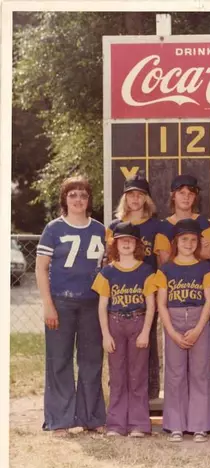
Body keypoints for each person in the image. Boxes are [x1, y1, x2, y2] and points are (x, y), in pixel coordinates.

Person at [35, 175, 106, 436]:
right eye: (72, 194)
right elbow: (41, 268)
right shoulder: (54, 228)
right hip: (61, 302)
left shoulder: (99, 229)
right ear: (65, 199)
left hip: (91, 303)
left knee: (91, 360)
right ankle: (60, 419)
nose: (78, 199)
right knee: (60, 360)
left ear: (89, 200)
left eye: (83, 195)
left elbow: (107, 268)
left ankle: (91, 416)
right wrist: (47, 304)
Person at [153, 218, 210, 442]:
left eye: (193, 240)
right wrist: (171, 332)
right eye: (184, 239)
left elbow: (209, 301)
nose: (189, 244)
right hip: (174, 320)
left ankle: (200, 425)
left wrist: (199, 328)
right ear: (175, 242)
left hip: (199, 319)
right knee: (175, 374)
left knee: (199, 373)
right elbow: (161, 303)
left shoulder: (204, 268)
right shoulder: (166, 269)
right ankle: (176, 425)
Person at [92, 222, 156, 438]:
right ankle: (116, 424)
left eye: (131, 240)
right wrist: (105, 334)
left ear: (137, 244)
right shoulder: (108, 272)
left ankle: (138, 424)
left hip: (138, 321)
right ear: (115, 244)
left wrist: (146, 331)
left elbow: (151, 305)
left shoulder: (146, 270)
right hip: (115, 322)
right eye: (122, 240)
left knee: (138, 375)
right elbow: (102, 305)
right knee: (117, 375)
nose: (126, 243)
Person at [106, 174, 162, 400]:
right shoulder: (114, 226)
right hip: (120, 292)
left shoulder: (156, 226)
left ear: (147, 199)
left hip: (147, 291)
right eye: (131, 195)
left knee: (146, 341)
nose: (135, 199)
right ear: (124, 198)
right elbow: (109, 260)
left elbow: (162, 261)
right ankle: (120, 394)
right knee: (119, 348)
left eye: (140, 194)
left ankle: (148, 394)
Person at [154, 174, 210, 266]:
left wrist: (175, 249)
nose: (186, 197)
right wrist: (197, 247)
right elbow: (165, 261)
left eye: (190, 194)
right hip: (174, 278)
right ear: (173, 195)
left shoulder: (202, 222)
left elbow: (208, 253)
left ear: (195, 197)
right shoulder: (163, 226)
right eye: (182, 193)